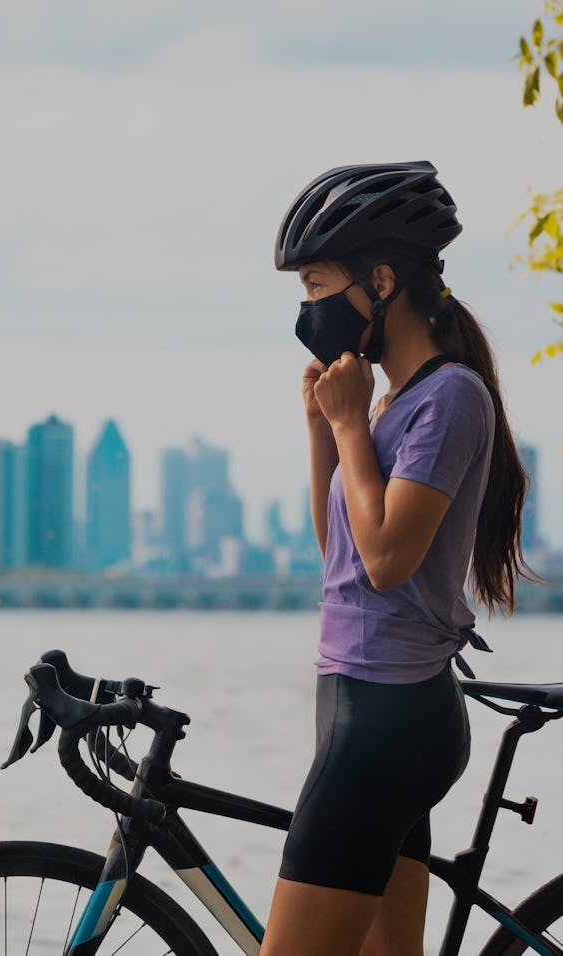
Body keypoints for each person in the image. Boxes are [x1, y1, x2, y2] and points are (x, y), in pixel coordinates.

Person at [260, 161, 533, 956]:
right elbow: (340, 555)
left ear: (380, 281)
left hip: (387, 720)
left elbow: (387, 561)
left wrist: (349, 428)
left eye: (316, 285)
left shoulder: (450, 399)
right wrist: (324, 430)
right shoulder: (392, 403)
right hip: (360, 706)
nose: (309, 309)